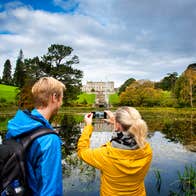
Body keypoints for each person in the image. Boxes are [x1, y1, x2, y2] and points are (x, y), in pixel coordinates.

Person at [6, 77, 65, 195]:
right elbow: (50, 190)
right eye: (61, 98)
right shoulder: (49, 140)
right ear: (54, 97)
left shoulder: (15, 126)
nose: (61, 103)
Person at [77, 106, 152, 196]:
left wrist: (88, 126)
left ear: (118, 126)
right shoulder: (147, 151)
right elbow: (130, 133)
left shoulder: (105, 155)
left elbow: (82, 151)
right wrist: (116, 124)